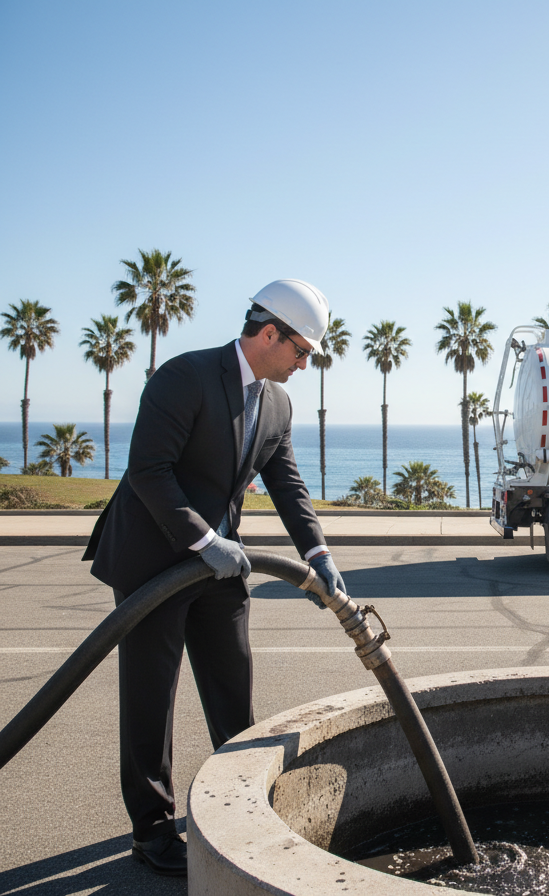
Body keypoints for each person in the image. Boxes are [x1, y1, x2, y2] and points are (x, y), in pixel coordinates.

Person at [83, 279, 348, 877]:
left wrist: (319, 553)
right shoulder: (186, 377)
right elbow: (149, 471)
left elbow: (287, 485)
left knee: (232, 684)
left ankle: (245, 805)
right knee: (152, 698)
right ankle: (151, 831)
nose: (305, 364)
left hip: (220, 564)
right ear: (269, 332)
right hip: (155, 557)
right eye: (301, 351)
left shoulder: (277, 403)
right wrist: (203, 541)